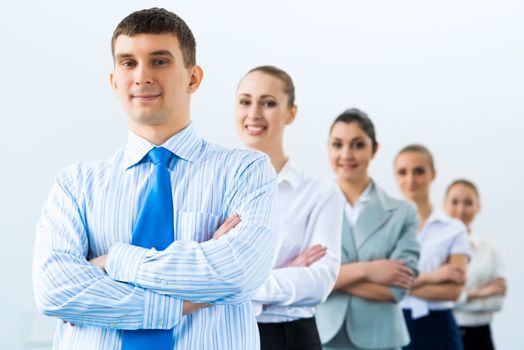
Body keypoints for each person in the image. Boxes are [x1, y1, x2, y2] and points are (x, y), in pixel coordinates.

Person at [32, 8, 279, 350]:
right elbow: (56, 289)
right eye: (128, 63)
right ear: (113, 81)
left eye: (159, 61)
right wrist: (180, 303)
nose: (141, 76)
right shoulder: (75, 185)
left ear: (193, 77)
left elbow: (239, 273)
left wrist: (113, 262)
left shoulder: (246, 171)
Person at [233, 65, 344, 350]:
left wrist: (236, 287)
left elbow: (319, 281)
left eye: (268, 103)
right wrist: (283, 277)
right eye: (245, 101)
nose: (254, 113)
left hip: (290, 338)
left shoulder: (319, 194)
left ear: (290, 113)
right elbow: (197, 276)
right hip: (225, 334)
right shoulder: (215, 189)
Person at [315, 109, 420, 350]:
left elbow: (396, 289)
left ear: (375, 149)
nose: (346, 154)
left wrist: (330, 277)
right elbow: (303, 277)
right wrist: (369, 270)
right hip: (324, 337)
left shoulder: (403, 212)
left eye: (358, 145)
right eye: (337, 144)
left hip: (381, 340)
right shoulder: (313, 206)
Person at [394, 144, 471, 350]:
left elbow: (453, 291)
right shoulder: (384, 227)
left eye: (419, 171)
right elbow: (380, 285)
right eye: (403, 172)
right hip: (394, 324)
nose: (410, 180)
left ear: (433, 174)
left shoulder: (454, 229)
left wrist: (398, 285)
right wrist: (434, 277)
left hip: (438, 327)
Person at [445, 179, 506, 350]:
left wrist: (456, 298)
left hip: (480, 337)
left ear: (478, 207)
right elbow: (434, 298)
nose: (461, 209)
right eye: (454, 202)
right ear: (444, 205)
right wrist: (482, 292)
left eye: (468, 203)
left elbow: (497, 302)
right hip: (446, 333)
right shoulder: (436, 250)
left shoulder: (491, 249)